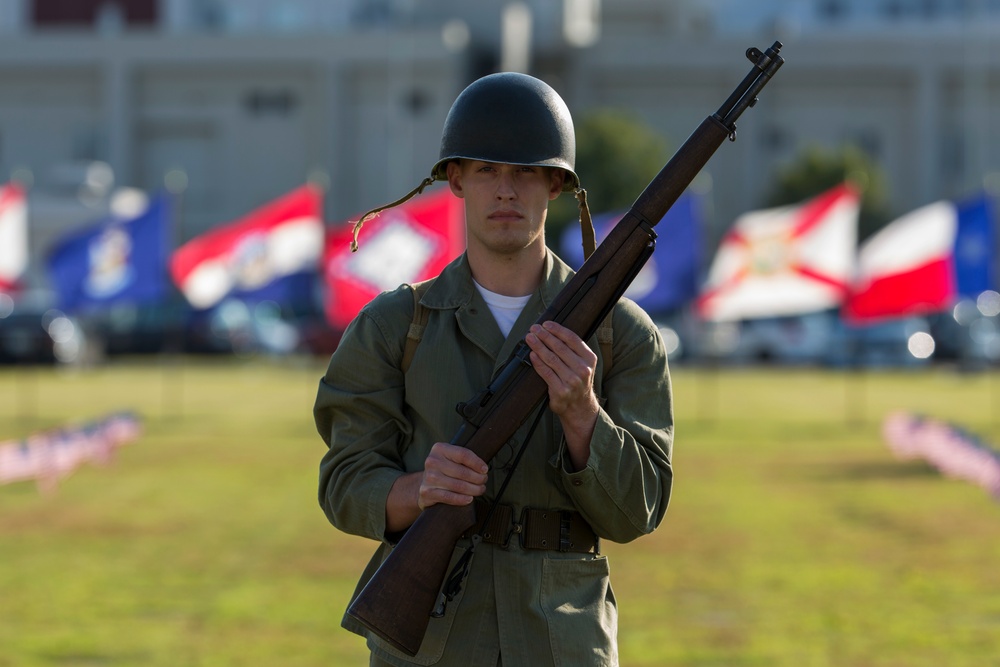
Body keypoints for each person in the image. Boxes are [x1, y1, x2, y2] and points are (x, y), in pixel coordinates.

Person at [314, 71, 674, 667]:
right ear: (455, 179)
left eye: (527, 171)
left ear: (556, 184)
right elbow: (344, 482)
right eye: (487, 169)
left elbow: (639, 511)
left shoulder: (621, 333)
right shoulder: (395, 324)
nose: (506, 190)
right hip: (434, 639)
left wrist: (584, 416)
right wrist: (417, 491)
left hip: (563, 637)